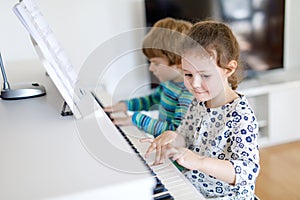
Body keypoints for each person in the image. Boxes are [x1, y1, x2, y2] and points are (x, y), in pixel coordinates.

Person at [142, 20, 260, 199]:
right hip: (194, 190)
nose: (194, 84)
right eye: (188, 74)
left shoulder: (240, 116)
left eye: (205, 75)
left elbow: (246, 172)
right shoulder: (198, 103)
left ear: (228, 69)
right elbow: (185, 136)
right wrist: (173, 138)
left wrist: (199, 162)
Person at [104, 17, 194, 137]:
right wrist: (125, 105)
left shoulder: (188, 94)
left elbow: (175, 132)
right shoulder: (169, 83)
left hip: (174, 153)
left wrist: (137, 120)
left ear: (179, 62)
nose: (151, 68)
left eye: (156, 63)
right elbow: (153, 100)